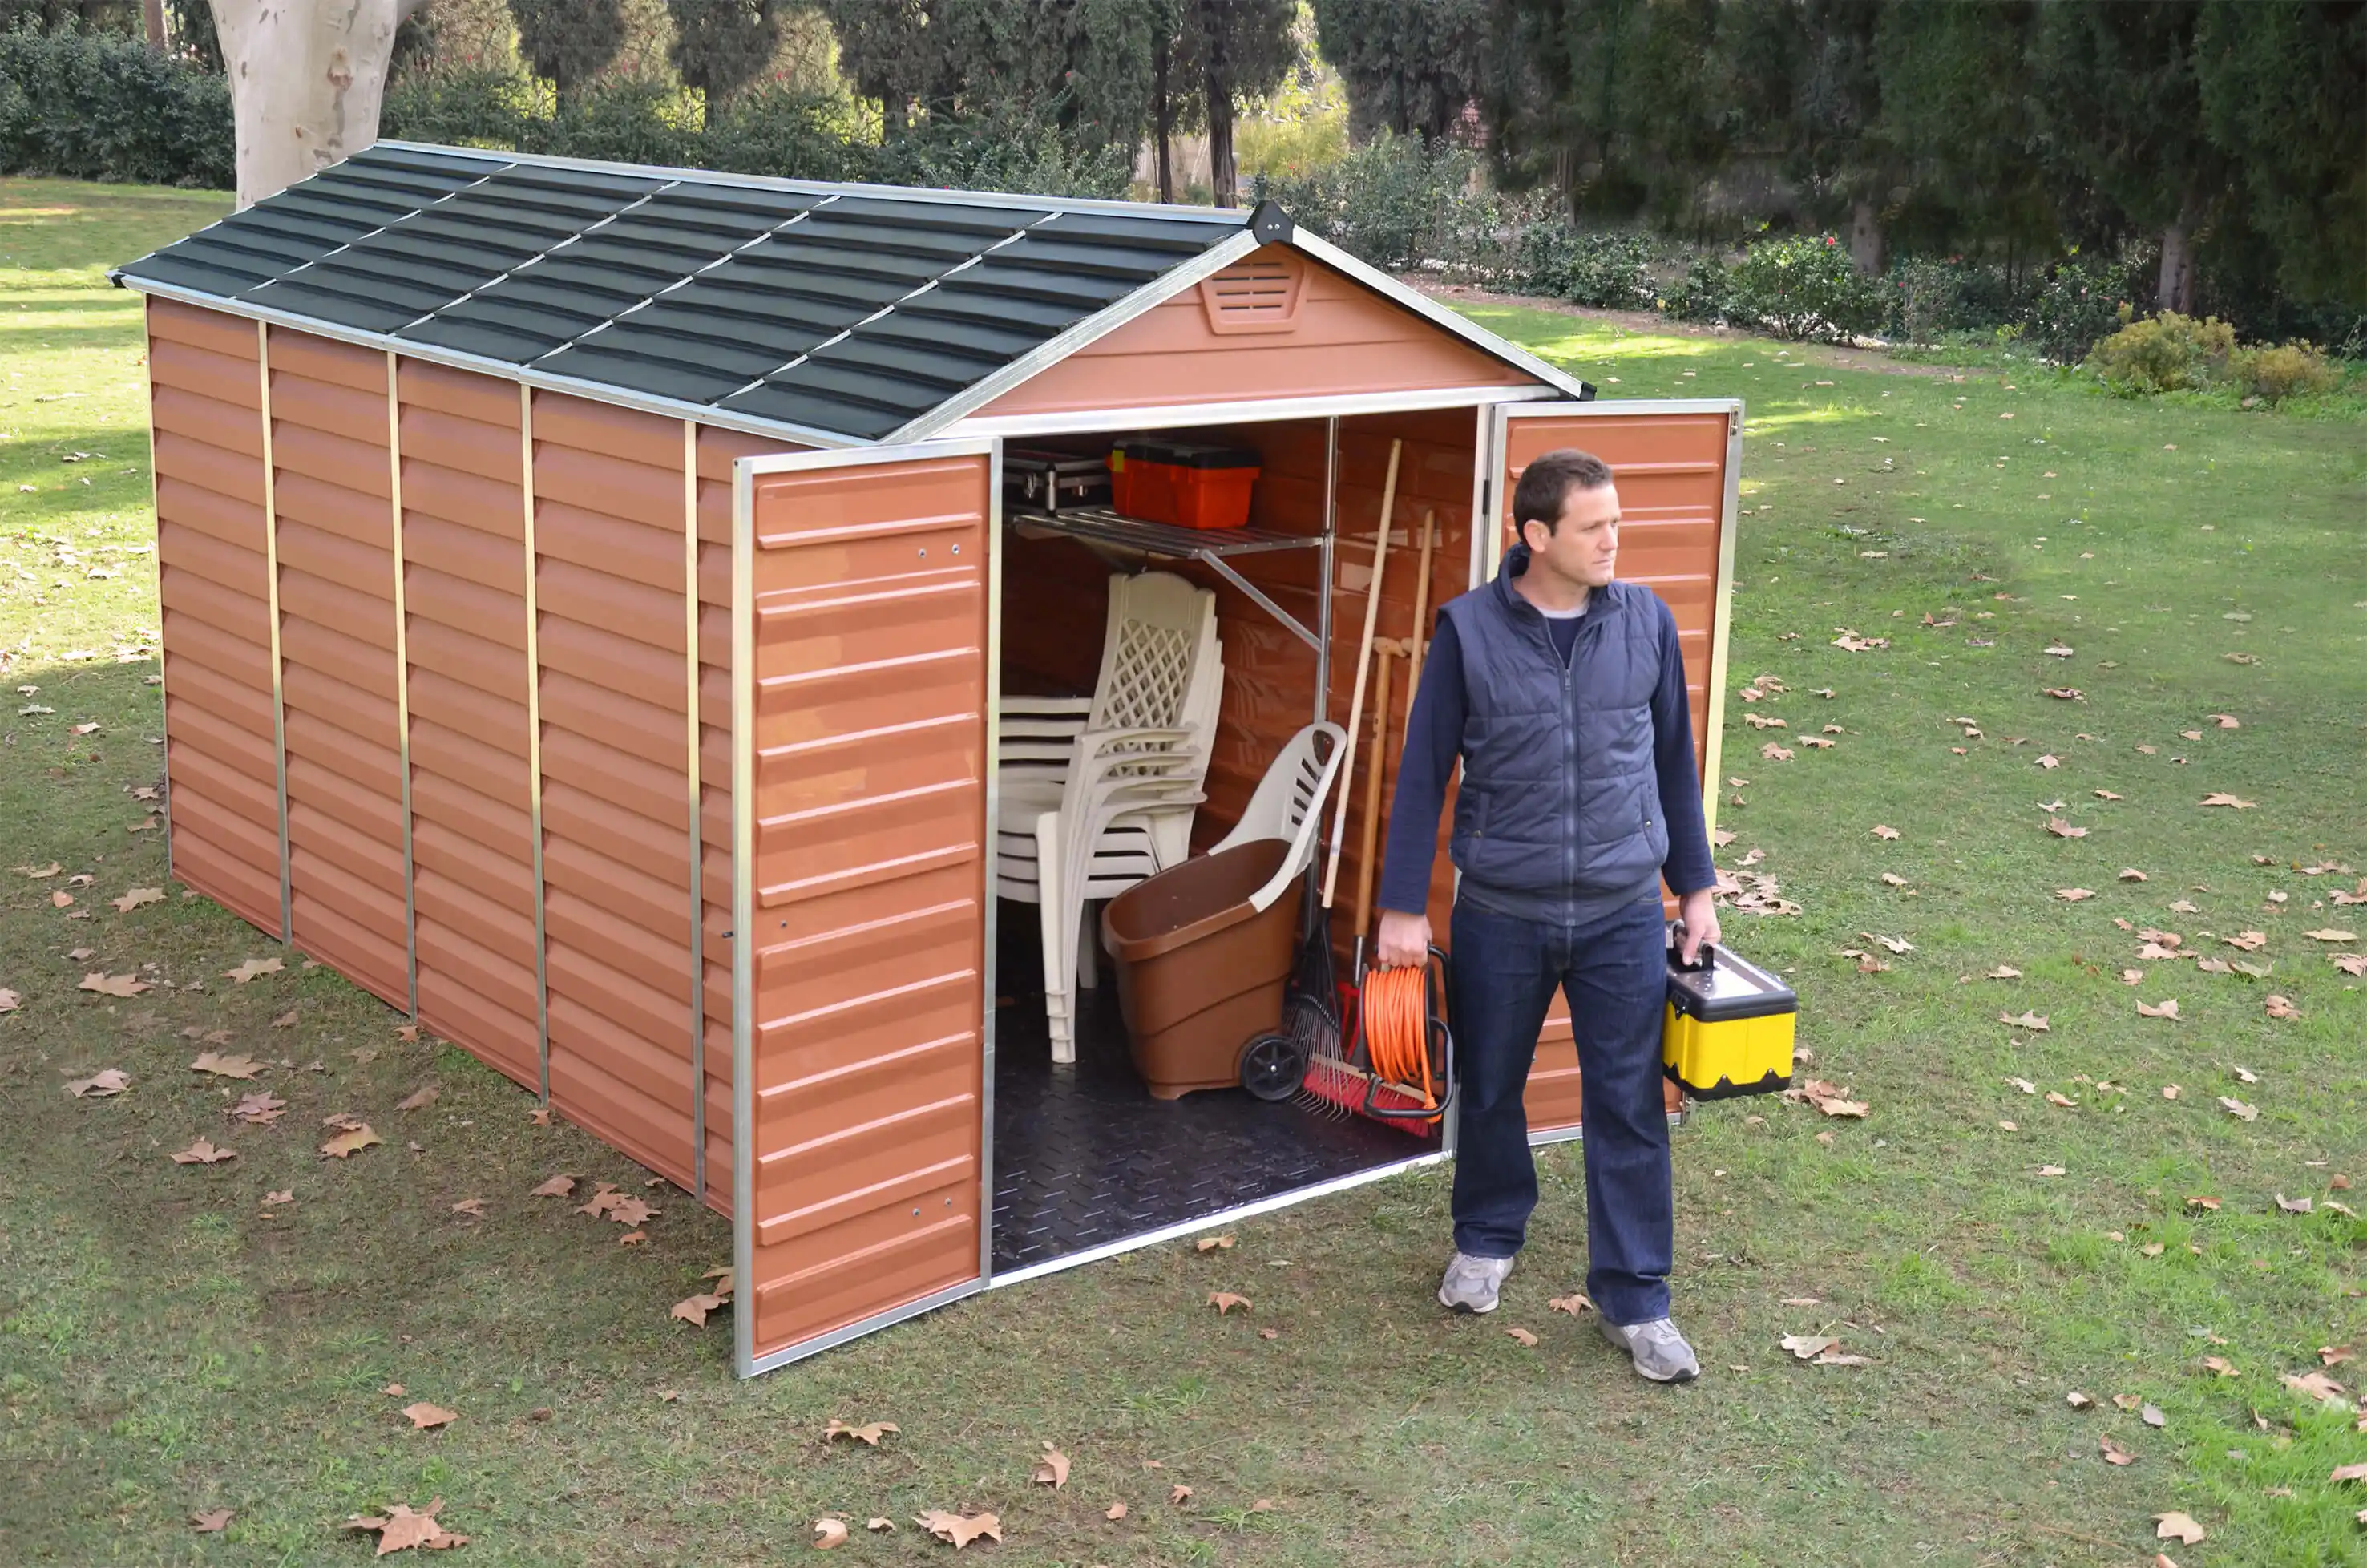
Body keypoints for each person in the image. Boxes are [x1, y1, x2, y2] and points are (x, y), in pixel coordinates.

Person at [1372, 447, 1720, 1384]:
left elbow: (1672, 765)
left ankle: (1636, 1299)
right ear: (1536, 536)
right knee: (1488, 1086)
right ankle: (1486, 1239)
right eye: (1594, 526)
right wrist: (1402, 905)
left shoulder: (1644, 621)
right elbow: (1421, 775)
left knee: (1627, 1104)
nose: (1615, 539)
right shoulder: (1468, 632)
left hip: (1619, 912)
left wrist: (1696, 891)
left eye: (1617, 521)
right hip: (1500, 911)